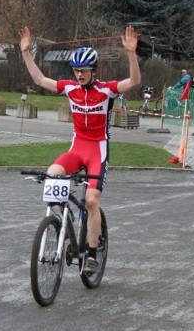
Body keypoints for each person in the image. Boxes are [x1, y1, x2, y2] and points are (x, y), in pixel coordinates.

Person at [20, 25, 141, 274]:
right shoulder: (71, 89)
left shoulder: (106, 91)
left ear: (93, 71)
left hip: (97, 151)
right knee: (52, 173)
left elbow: (135, 81)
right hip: (77, 149)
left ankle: (93, 253)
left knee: (91, 200)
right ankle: (64, 220)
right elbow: (40, 80)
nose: (79, 75)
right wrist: (25, 52)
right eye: (76, 71)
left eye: (83, 71)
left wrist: (131, 53)